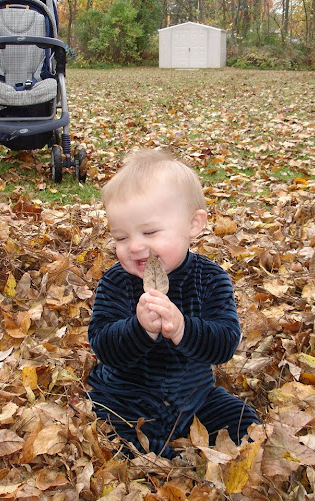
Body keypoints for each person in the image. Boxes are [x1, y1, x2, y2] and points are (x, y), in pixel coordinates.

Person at [87, 149, 260, 459]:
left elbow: (224, 344)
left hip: (194, 398)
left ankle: (192, 451)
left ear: (193, 224)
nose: (135, 246)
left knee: (244, 422)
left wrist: (183, 329)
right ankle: (152, 453)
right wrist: (139, 329)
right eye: (121, 237)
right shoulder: (115, 281)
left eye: (150, 231)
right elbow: (103, 346)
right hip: (125, 397)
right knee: (117, 439)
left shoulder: (210, 279)